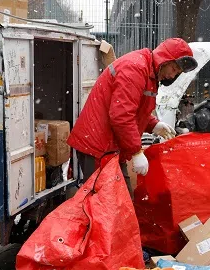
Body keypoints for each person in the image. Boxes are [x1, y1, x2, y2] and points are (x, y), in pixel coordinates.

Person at [68, 37, 197, 179]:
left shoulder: (148, 71)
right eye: (173, 68)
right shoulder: (136, 69)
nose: (172, 75)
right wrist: (136, 152)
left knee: (118, 198)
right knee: (106, 199)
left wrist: (153, 125)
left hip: (109, 145)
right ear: (165, 59)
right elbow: (121, 116)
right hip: (99, 146)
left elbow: (132, 109)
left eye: (177, 73)